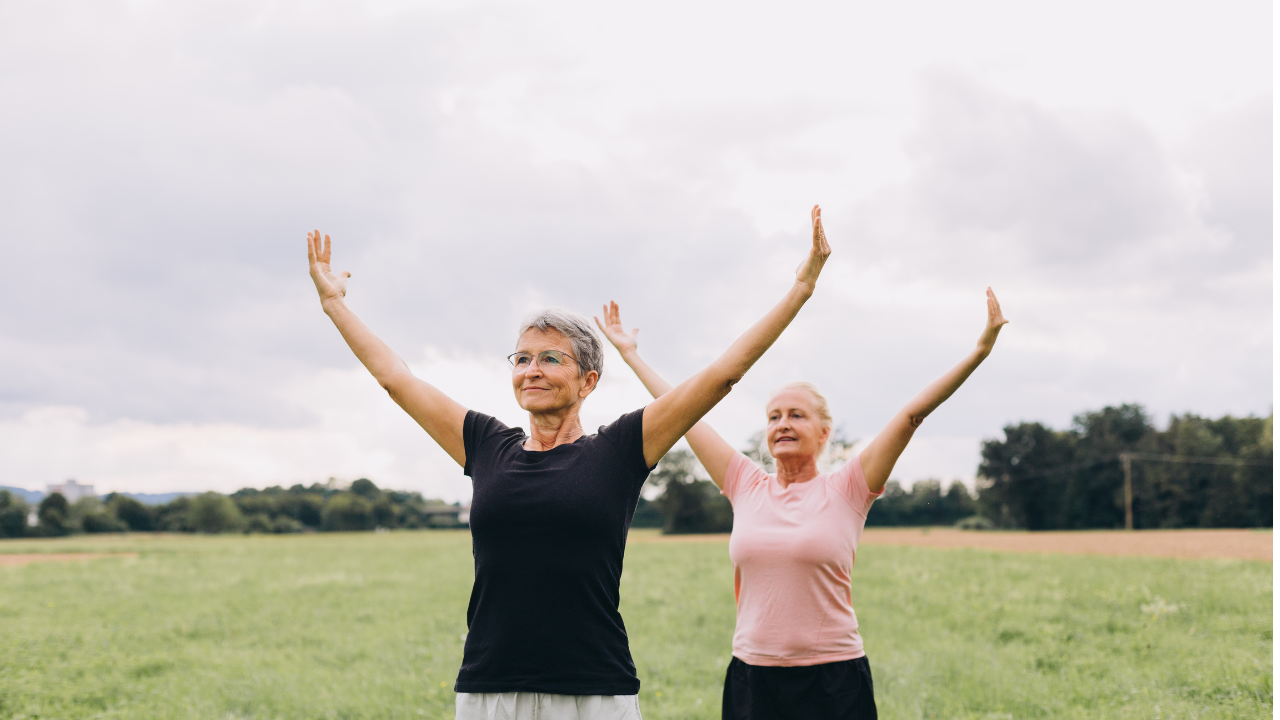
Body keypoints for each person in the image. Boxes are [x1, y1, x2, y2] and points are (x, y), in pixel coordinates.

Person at [304, 205, 832, 720]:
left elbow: (721, 375)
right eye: (522, 358)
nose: (531, 370)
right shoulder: (486, 444)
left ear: (588, 381)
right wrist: (335, 307)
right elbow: (398, 380)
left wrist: (801, 290)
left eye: (551, 358)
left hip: (594, 692)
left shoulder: (621, 449)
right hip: (492, 688)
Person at [595, 288, 1008, 720]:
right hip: (753, 677)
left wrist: (978, 352)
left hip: (832, 679)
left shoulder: (849, 487)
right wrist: (632, 356)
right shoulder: (745, 483)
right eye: (774, 416)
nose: (783, 424)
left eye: (796, 415)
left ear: (824, 432)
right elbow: (684, 411)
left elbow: (910, 416)